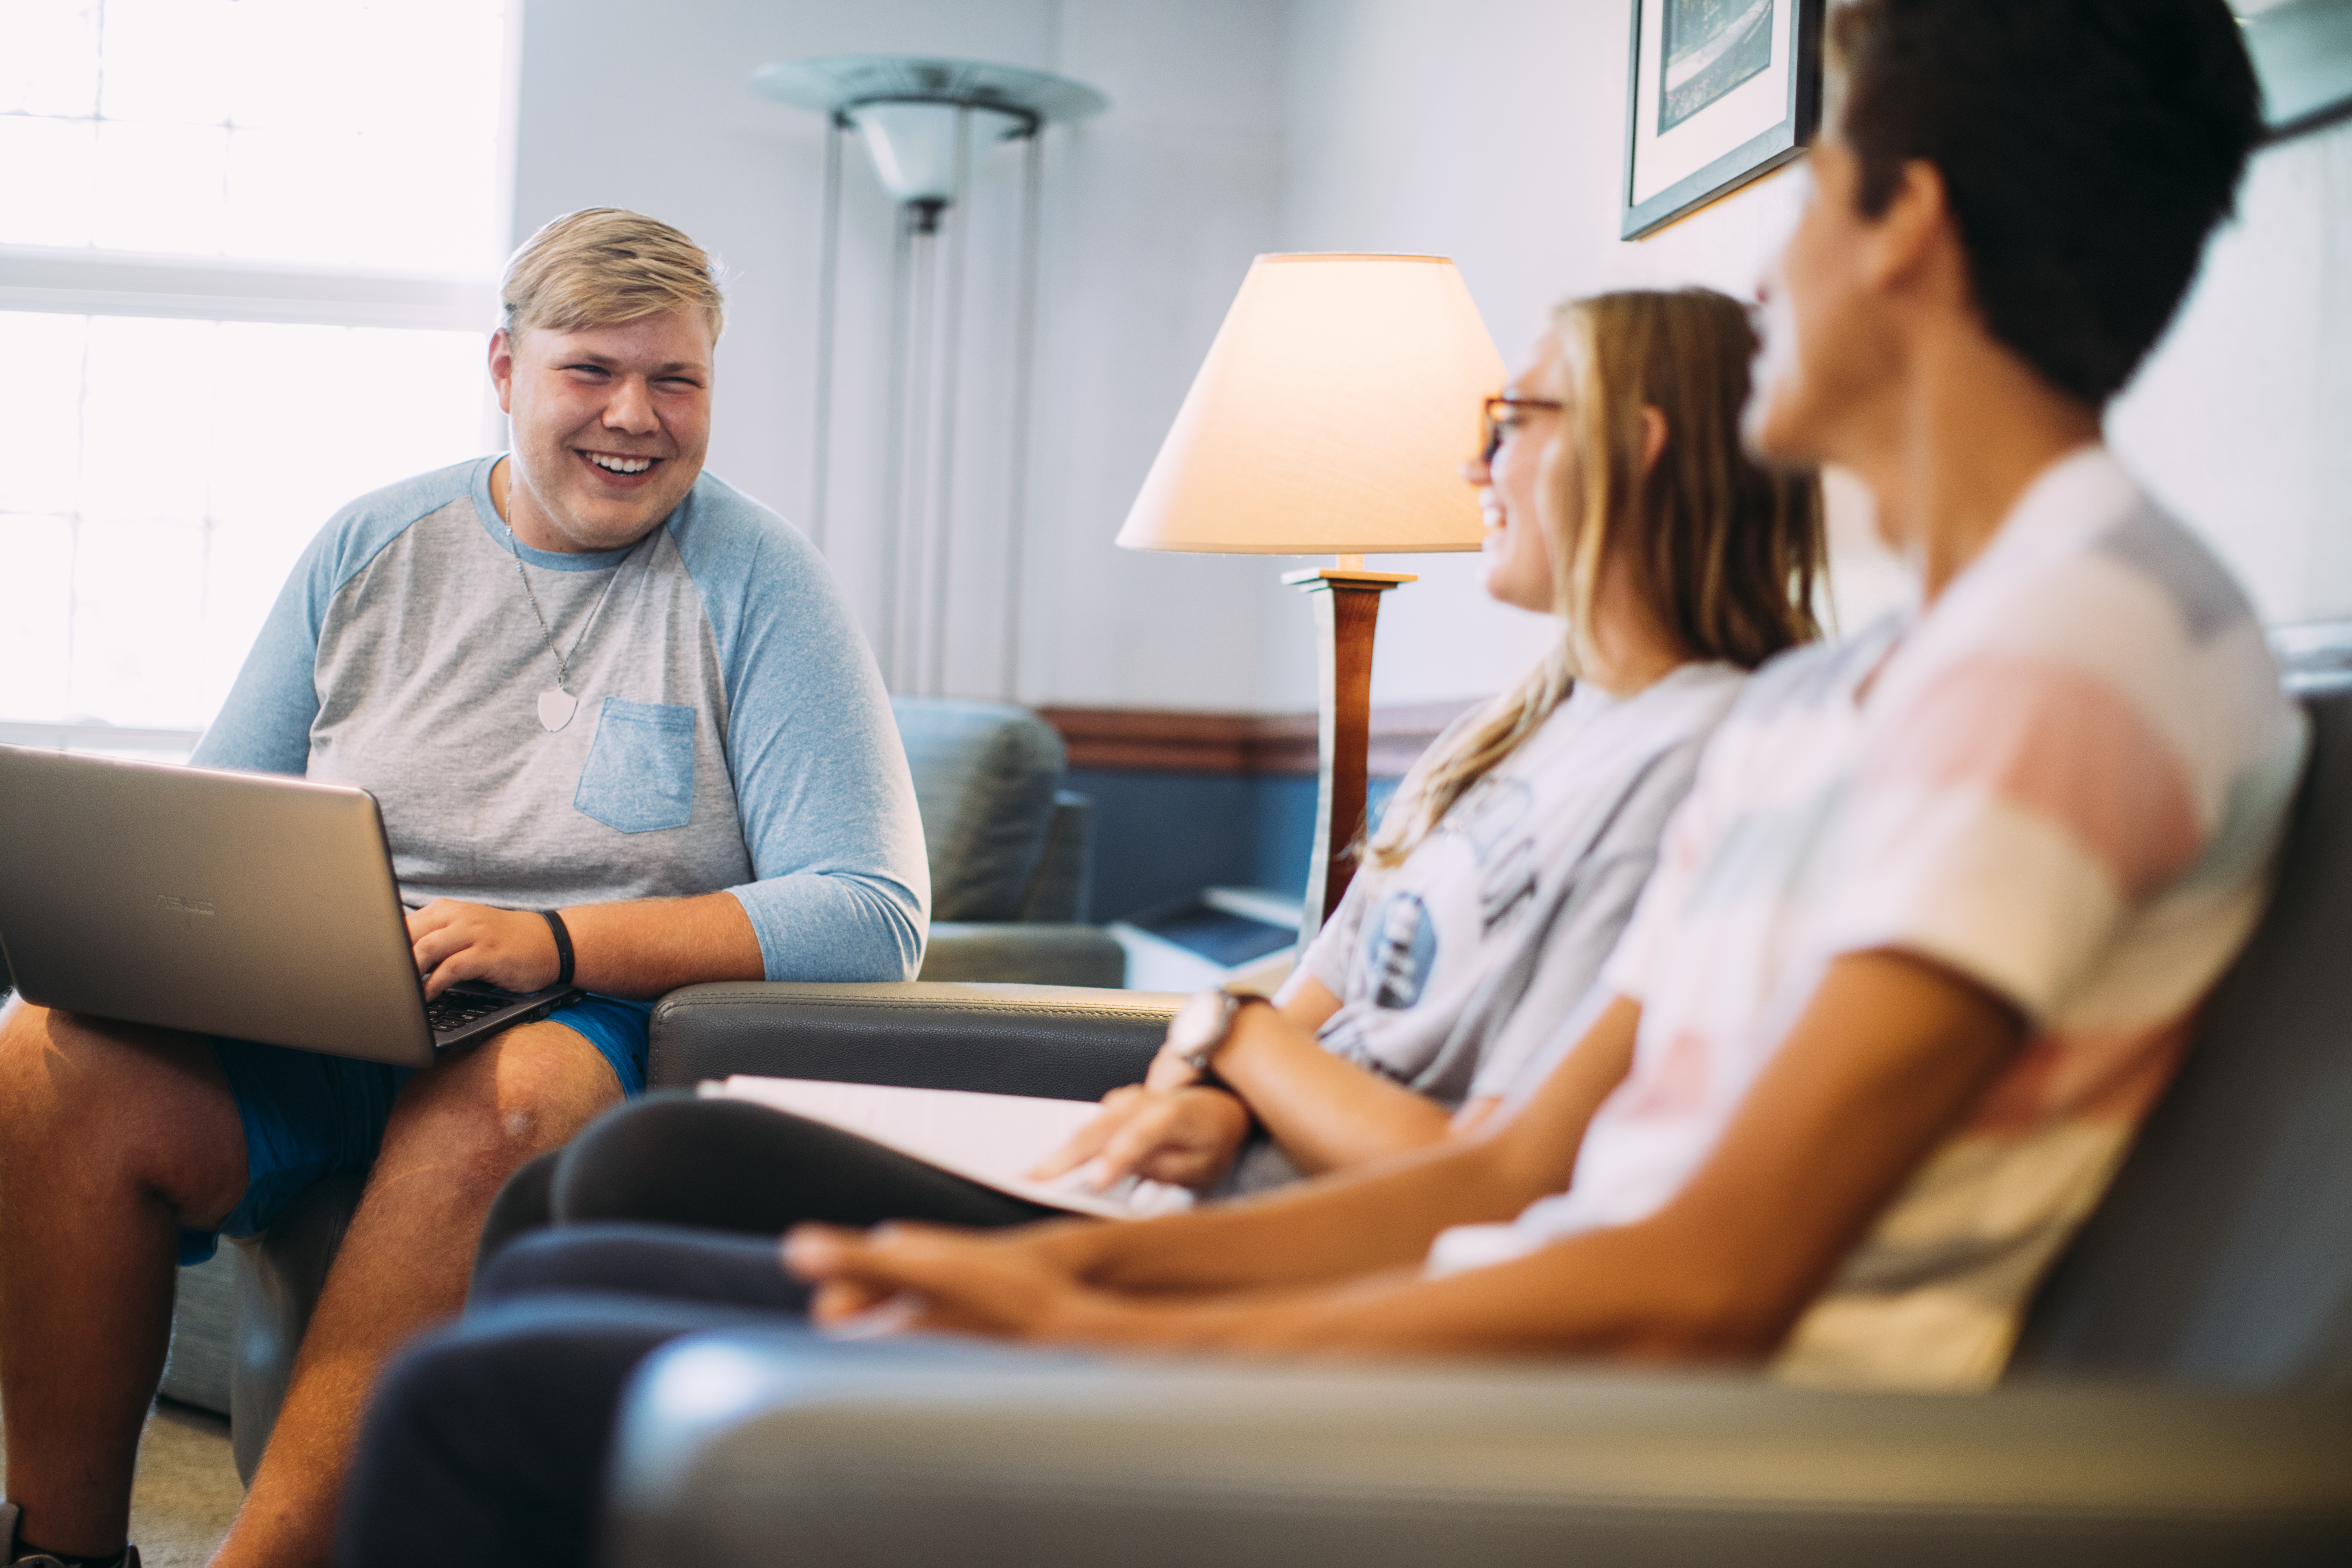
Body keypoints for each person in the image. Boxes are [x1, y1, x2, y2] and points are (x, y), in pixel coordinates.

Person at [338, 0, 2300, 1559]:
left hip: (1613, 1446)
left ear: (1912, 225)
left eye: (1816, 194)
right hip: (1495, 1331)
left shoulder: (2076, 656)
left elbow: (1700, 1288)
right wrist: (1095, 1274)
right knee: (565, 1296)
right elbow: (1528, 1175)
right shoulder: (1853, 692)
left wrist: (1114, 1330)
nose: (1769, 277)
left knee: (477, 1400)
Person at [464, 285, 1825, 1263]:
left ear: (1638, 447)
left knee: (630, 1181)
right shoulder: (1516, 726)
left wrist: (1228, 1046)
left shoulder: (1712, 759)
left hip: (1289, 1219)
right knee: (589, 1188)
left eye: (1513, 419)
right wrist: (1206, 1080)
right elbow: (1309, 994)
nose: (1477, 462)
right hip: (1201, 1156)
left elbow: (1477, 1153)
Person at [0, 209, 928, 1568]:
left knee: (504, 1104)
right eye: (589, 371)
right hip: (334, 1009)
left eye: (676, 381)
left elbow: (870, 914)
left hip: (588, 1019)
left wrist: (552, 941)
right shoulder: (372, 544)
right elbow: (213, 828)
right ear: (504, 368)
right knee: (39, 1061)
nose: (635, 417)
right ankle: (57, 1553)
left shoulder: (761, 579)